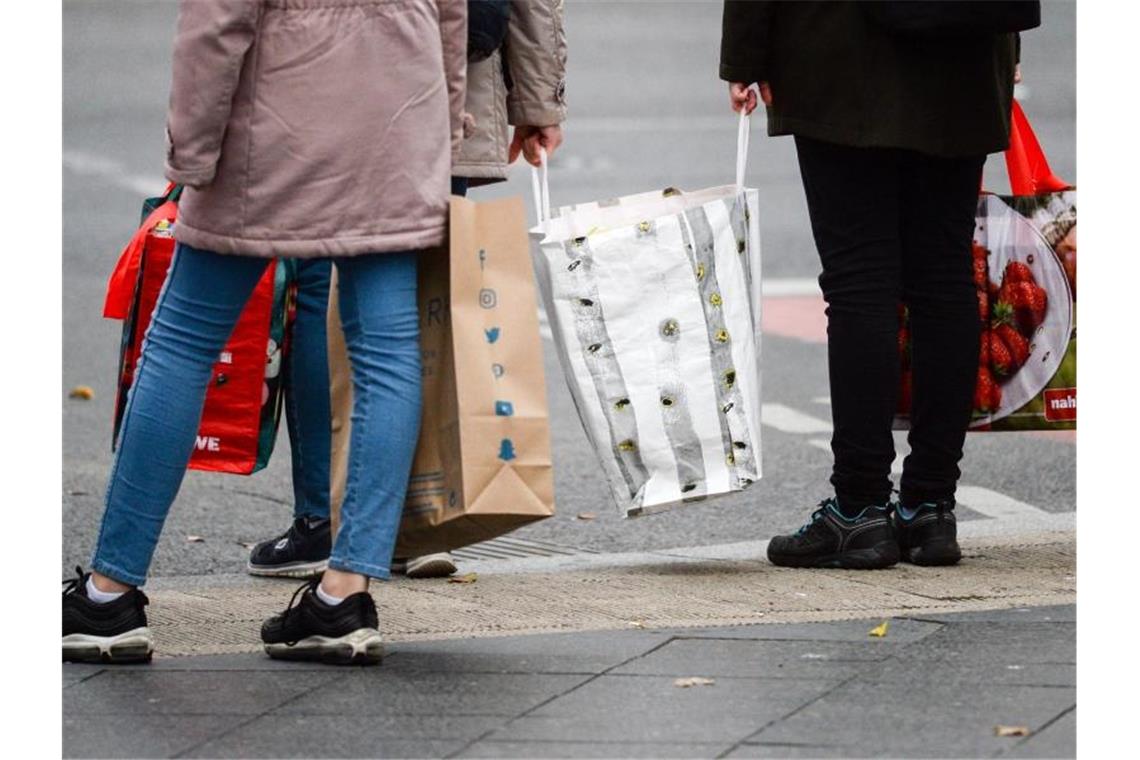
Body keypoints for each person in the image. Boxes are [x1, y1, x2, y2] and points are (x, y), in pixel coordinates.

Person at [62, 0, 466, 666]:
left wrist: (192, 154)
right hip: (399, 118)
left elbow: (217, 21)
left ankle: (109, 593)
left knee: (184, 339)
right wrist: (442, 130)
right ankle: (344, 595)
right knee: (388, 354)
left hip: (273, 125)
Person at [249, 0, 567, 581]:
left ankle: (330, 517)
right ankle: (425, 511)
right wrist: (538, 100)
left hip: (339, 87)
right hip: (455, 93)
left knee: (329, 298)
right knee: (431, 303)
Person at [720, 1, 1038, 569]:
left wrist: (746, 53)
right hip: (964, 44)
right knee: (944, 275)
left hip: (839, 46)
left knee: (859, 280)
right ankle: (931, 506)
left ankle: (860, 507)